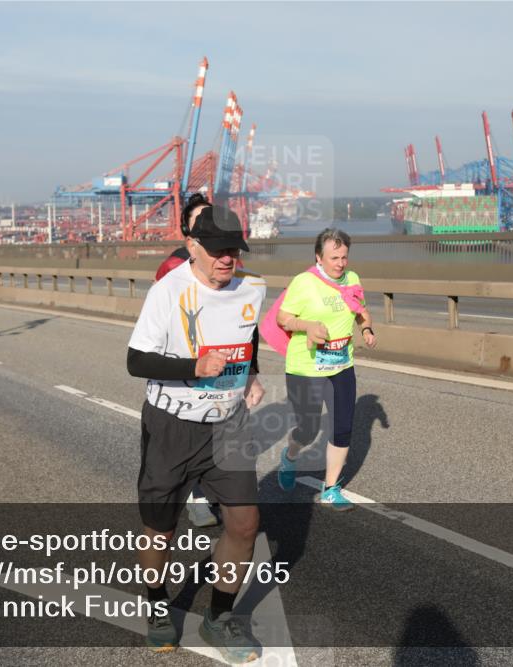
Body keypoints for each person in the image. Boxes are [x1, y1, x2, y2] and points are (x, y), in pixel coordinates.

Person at [128, 205, 265, 661]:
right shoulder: (168, 292)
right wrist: (194, 368)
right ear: (192, 246)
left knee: (245, 524)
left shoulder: (252, 287)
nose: (227, 259)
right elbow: (136, 360)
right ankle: (157, 604)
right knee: (160, 529)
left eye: (233, 250)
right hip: (172, 426)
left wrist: (252, 374)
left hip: (229, 423)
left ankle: (219, 617)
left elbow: (248, 336)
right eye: (217, 250)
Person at [275, 228, 377, 510]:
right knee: (307, 429)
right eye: (335, 257)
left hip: (341, 365)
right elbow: (284, 318)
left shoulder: (352, 279)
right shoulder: (304, 282)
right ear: (319, 257)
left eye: (344, 257)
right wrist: (308, 326)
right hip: (305, 367)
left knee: (343, 427)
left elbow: (361, 310)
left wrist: (366, 328)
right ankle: (290, 456)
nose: (341, 263)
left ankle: (330, 488)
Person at [155, 194, 219, 528]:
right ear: (187, 229)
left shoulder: (224, 259)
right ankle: (196, 499)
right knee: (191, 429)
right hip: (185, 363)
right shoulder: (172, 265)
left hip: (219, 361)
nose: (206, 223)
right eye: (198, 219)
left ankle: (207, 489)